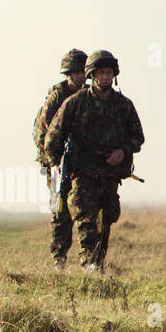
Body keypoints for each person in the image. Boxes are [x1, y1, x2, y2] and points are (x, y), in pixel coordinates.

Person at [44, 50, 144, 272]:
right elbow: (53, 135)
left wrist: (123, 150)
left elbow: (138, 136)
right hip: (82, 170)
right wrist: (54, 164)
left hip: (110, 172)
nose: (105, 77)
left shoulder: (124, 105)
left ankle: (97, 262)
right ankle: (88, 262)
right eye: (100, 73)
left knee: (106, 218)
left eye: (109, 72)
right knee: (84, 216)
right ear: (92, 75)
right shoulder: (74, 103)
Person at [34, 48, 87, 269]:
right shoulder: (57, 96)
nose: (79, 76)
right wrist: (52, 161)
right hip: (56, 160)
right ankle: (59, 258)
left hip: (80, 160)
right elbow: (43, 132)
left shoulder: (88, 95)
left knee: (84, 206)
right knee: (60, 210)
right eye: (75, 72)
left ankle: (90, 257)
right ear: (68, 74)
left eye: (82, 72)